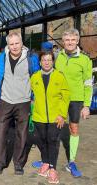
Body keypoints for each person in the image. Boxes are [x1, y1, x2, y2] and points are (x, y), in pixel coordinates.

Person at [0, 32, 40, 175]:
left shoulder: (31, 59)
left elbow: (36, 78)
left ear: (21, 43)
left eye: (17, 43)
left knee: (22, 134)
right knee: (0, 134)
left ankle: (18, 163)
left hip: (24, 102)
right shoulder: (2, 58)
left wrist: (34, 98)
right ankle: (0, 162)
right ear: (8, 45)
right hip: (5, 101)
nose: (14, 46)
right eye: (11, 44)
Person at [55, 28, 92, 177]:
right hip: (59, 98)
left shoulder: (85, 60)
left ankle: (71, 161)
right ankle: (48, 159)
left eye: (72, 40)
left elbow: (88, 83)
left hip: (76, 99)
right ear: (63, 42)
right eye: (67, 40)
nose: (69, 43)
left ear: (77, 41)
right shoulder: (59, 57)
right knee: (53, 126)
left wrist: (87, 106)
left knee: (74, 129)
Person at [31, 51, 70, 184]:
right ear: (40, 62)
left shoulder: (59, 76)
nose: (47, 62)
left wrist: (62, 114)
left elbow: (66, 96)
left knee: (52, 141)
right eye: (44, 60)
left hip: (55, 117)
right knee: (41, 141)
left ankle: (52, 168)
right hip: (39, 117)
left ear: (53, 61)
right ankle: (46, 162)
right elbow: (29, 94)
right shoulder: (34, 77)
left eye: (49, 60)